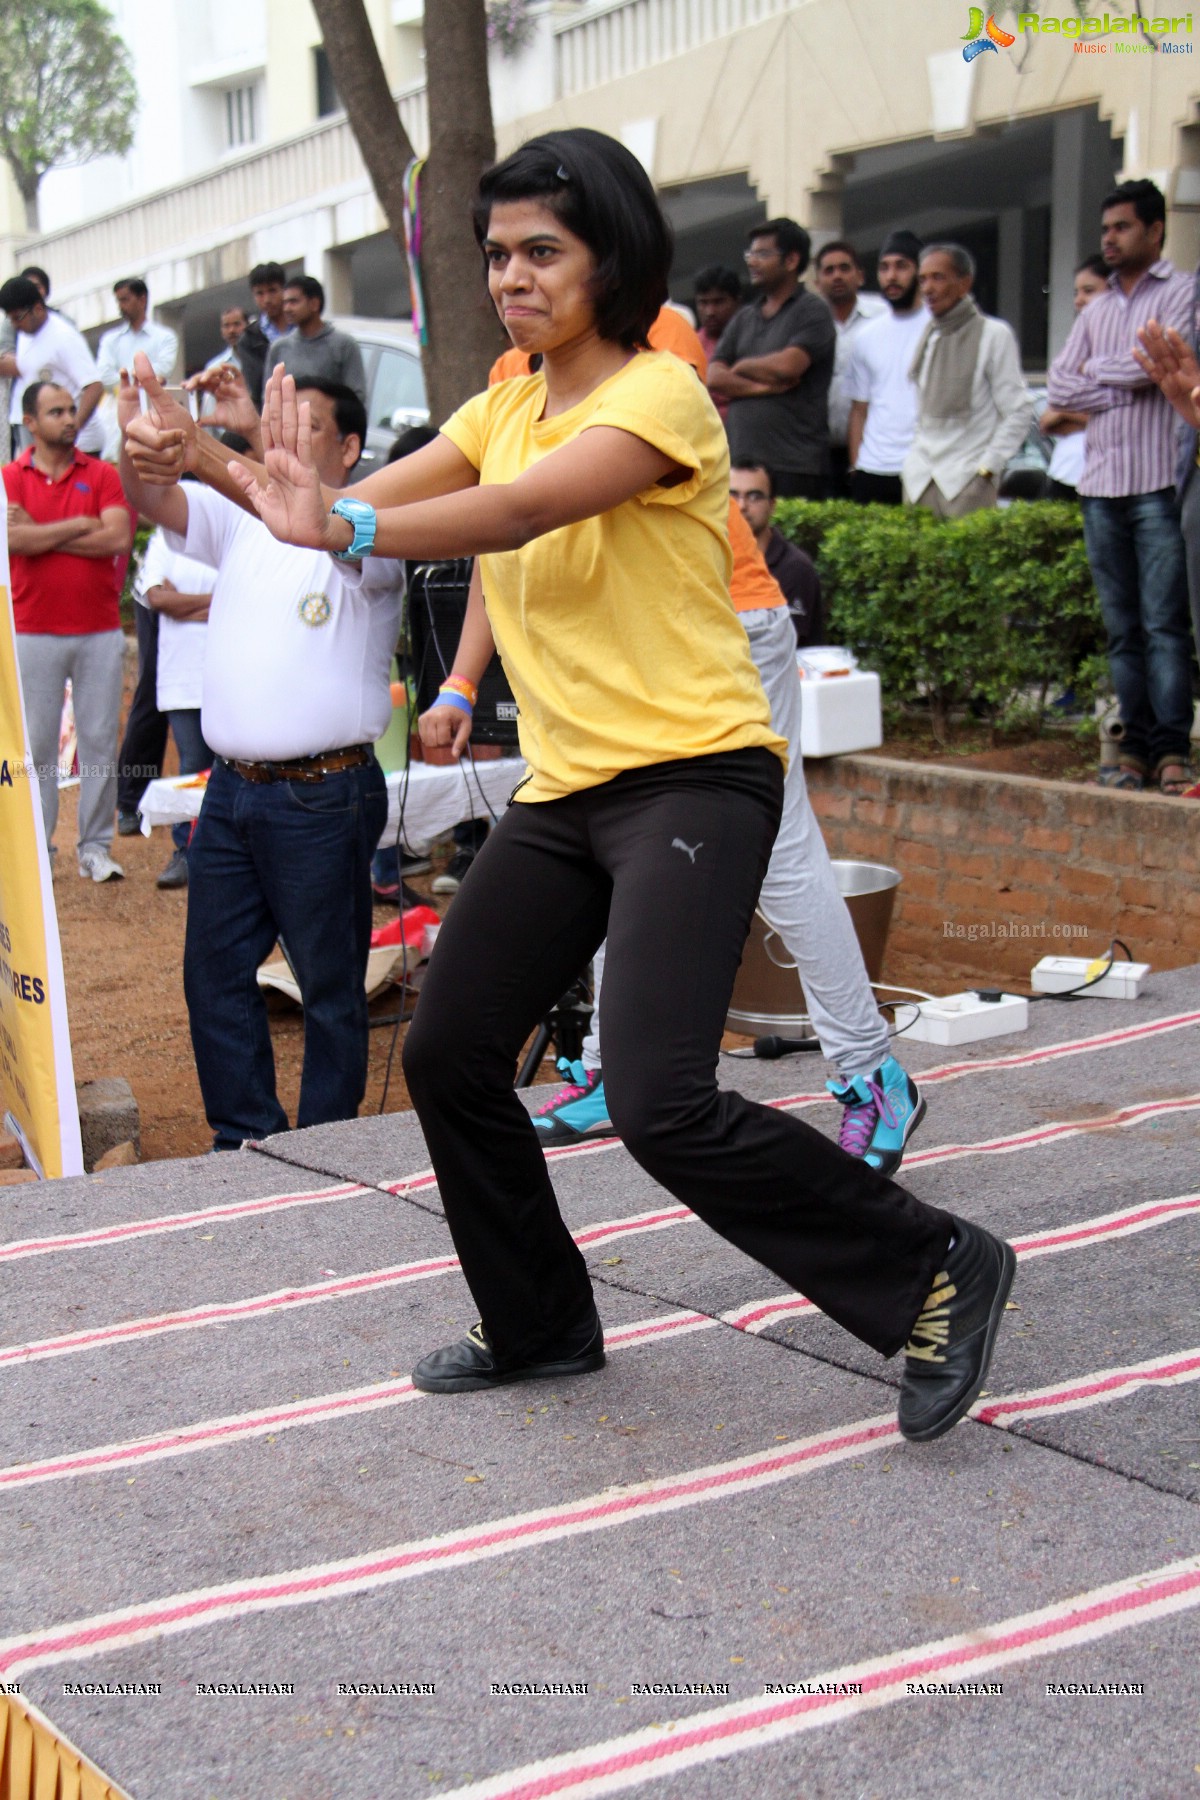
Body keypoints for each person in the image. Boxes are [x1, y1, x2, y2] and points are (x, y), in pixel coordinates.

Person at [123, 127, 1015, 1445]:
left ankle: (937, 1263)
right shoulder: (504, 405)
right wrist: (198, 459)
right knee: (447, 1050)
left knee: (661, 1100)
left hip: (693, 780)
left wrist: (337, 517)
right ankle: (541, 1319)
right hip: (570, 790)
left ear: (614, 256)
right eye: (496, 255)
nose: (513, 277)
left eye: (544, 250)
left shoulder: (659, 397)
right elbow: (332, 508)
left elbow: (514, 514)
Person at [118, 374, 402, 1149]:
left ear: (347, 447)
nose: (279, 434)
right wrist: (135, 436)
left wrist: (203, 443)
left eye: (301, 425)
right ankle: (244, 1138)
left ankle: (325, 1145)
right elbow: (152, 499)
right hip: (233, 791)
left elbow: (280, 503)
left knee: (329, 985)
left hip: (324, 791)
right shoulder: (238, 523)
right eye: (274, 419)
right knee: (213, 975)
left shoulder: (368, 531)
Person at [1048, 180, 1194, 795]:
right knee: (1122, 627)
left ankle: (1170, 749)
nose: (1109, 238)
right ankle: (1132, 745)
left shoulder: (1184, 291)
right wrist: (1124, 380)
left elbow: (1163, 367)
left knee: (1165, 625)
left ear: (1155, 230)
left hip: (1159, 483)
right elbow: (1059, 388)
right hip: (1100, 486)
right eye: (1105, 229)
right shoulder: (1098, 307)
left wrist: (1101, 379)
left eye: (1122, 227)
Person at [3, 382, 132, 879]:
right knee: (36, 747)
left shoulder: (100, 472)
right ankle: (40, 851)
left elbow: (118, 536)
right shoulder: (8, 478)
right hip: (32, 629)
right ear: (30, 423)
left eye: (71, 410)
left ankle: (95, 848)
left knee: (99, 741)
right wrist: (82, 525)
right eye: (55, 411)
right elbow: (11, 537)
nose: (69, 418)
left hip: (98, 630)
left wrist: (44, 534)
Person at [708, 219, 836, 498]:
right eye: (750, 254)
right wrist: (761, 387)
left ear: (791, 260)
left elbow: (788, 367)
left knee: (787, 543)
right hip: (741, 463)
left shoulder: (812, 311)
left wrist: (742, 366)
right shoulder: (745, 316)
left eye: (763, 254)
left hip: (794, 465)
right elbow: (714, 376)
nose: (752, 262)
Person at [902, 244, 1032, 519]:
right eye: (923, 279)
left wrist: (987, 469)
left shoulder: (994, 334)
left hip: (965, 480)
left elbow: (1018, 411)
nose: (927, 288)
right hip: (920, 480)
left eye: (938, 277)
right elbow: (919, 412)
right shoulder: (927, 336)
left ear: (964, 283)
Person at [134, 516, 215, 889]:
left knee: (237, 766)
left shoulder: (230, 533)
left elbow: (250, 596)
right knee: (193, 767)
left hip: (230, 675)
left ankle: (227, 854)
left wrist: (183, 604)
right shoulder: (165, 540)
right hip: (181, 677)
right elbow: (157, 598)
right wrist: (218, 603)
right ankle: (186, 851)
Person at [845, 230, 927, 506]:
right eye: (884, 268)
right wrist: (856, 467)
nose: (892, 276)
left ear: (920, 271)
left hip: (924, 467)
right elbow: (859, 409)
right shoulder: (866, 336)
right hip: (873, 469)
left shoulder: (939, 330)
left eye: (901, 266)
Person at [0, 277, 105, 455]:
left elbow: (94, 386)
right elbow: (30, 369)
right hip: (48, 446)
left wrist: (73, 429)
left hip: (79, 447)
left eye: (18, 318)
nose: (15, 325)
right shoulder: (27, 333)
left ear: (38, 308)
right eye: (11, 320)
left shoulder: (63, 337)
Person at [814, 241, 885, 495]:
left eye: (845, 268)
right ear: (817, 281)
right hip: (819, 450)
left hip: (872, 447)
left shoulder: (882, 316)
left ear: (860, 276)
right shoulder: (808, 320)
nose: (837, 276)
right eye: (829, 270)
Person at [728, 459, 823, 645]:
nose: (741, 506)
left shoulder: (795, 568)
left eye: (754, 496)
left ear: (772, 505)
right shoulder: (711, 560)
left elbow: (784, 644)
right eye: (732, 496)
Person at [1038, 256, 1109, 500]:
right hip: (1064, 473)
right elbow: (1048, 422)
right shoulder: (1076, 350)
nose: (1079, 301)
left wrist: (1067, 412)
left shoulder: (1132, 354)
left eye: (1089, 291)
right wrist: (1089, 416)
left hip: (1108, 481)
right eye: (1076, 292)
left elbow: (1125, 418)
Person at [265, 276, 367, 406]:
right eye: (285, 303)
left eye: (293, 302)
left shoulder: (344, 345)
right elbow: (269, 399)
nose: (287, 309)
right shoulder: (278, 348)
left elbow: (356, 397)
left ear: (314, 304)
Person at [692, 265, 743, 419]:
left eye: (719, 302)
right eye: (703, 303)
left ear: (737, 301)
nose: (710, 312)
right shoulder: (691, 344)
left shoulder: (753, 338)